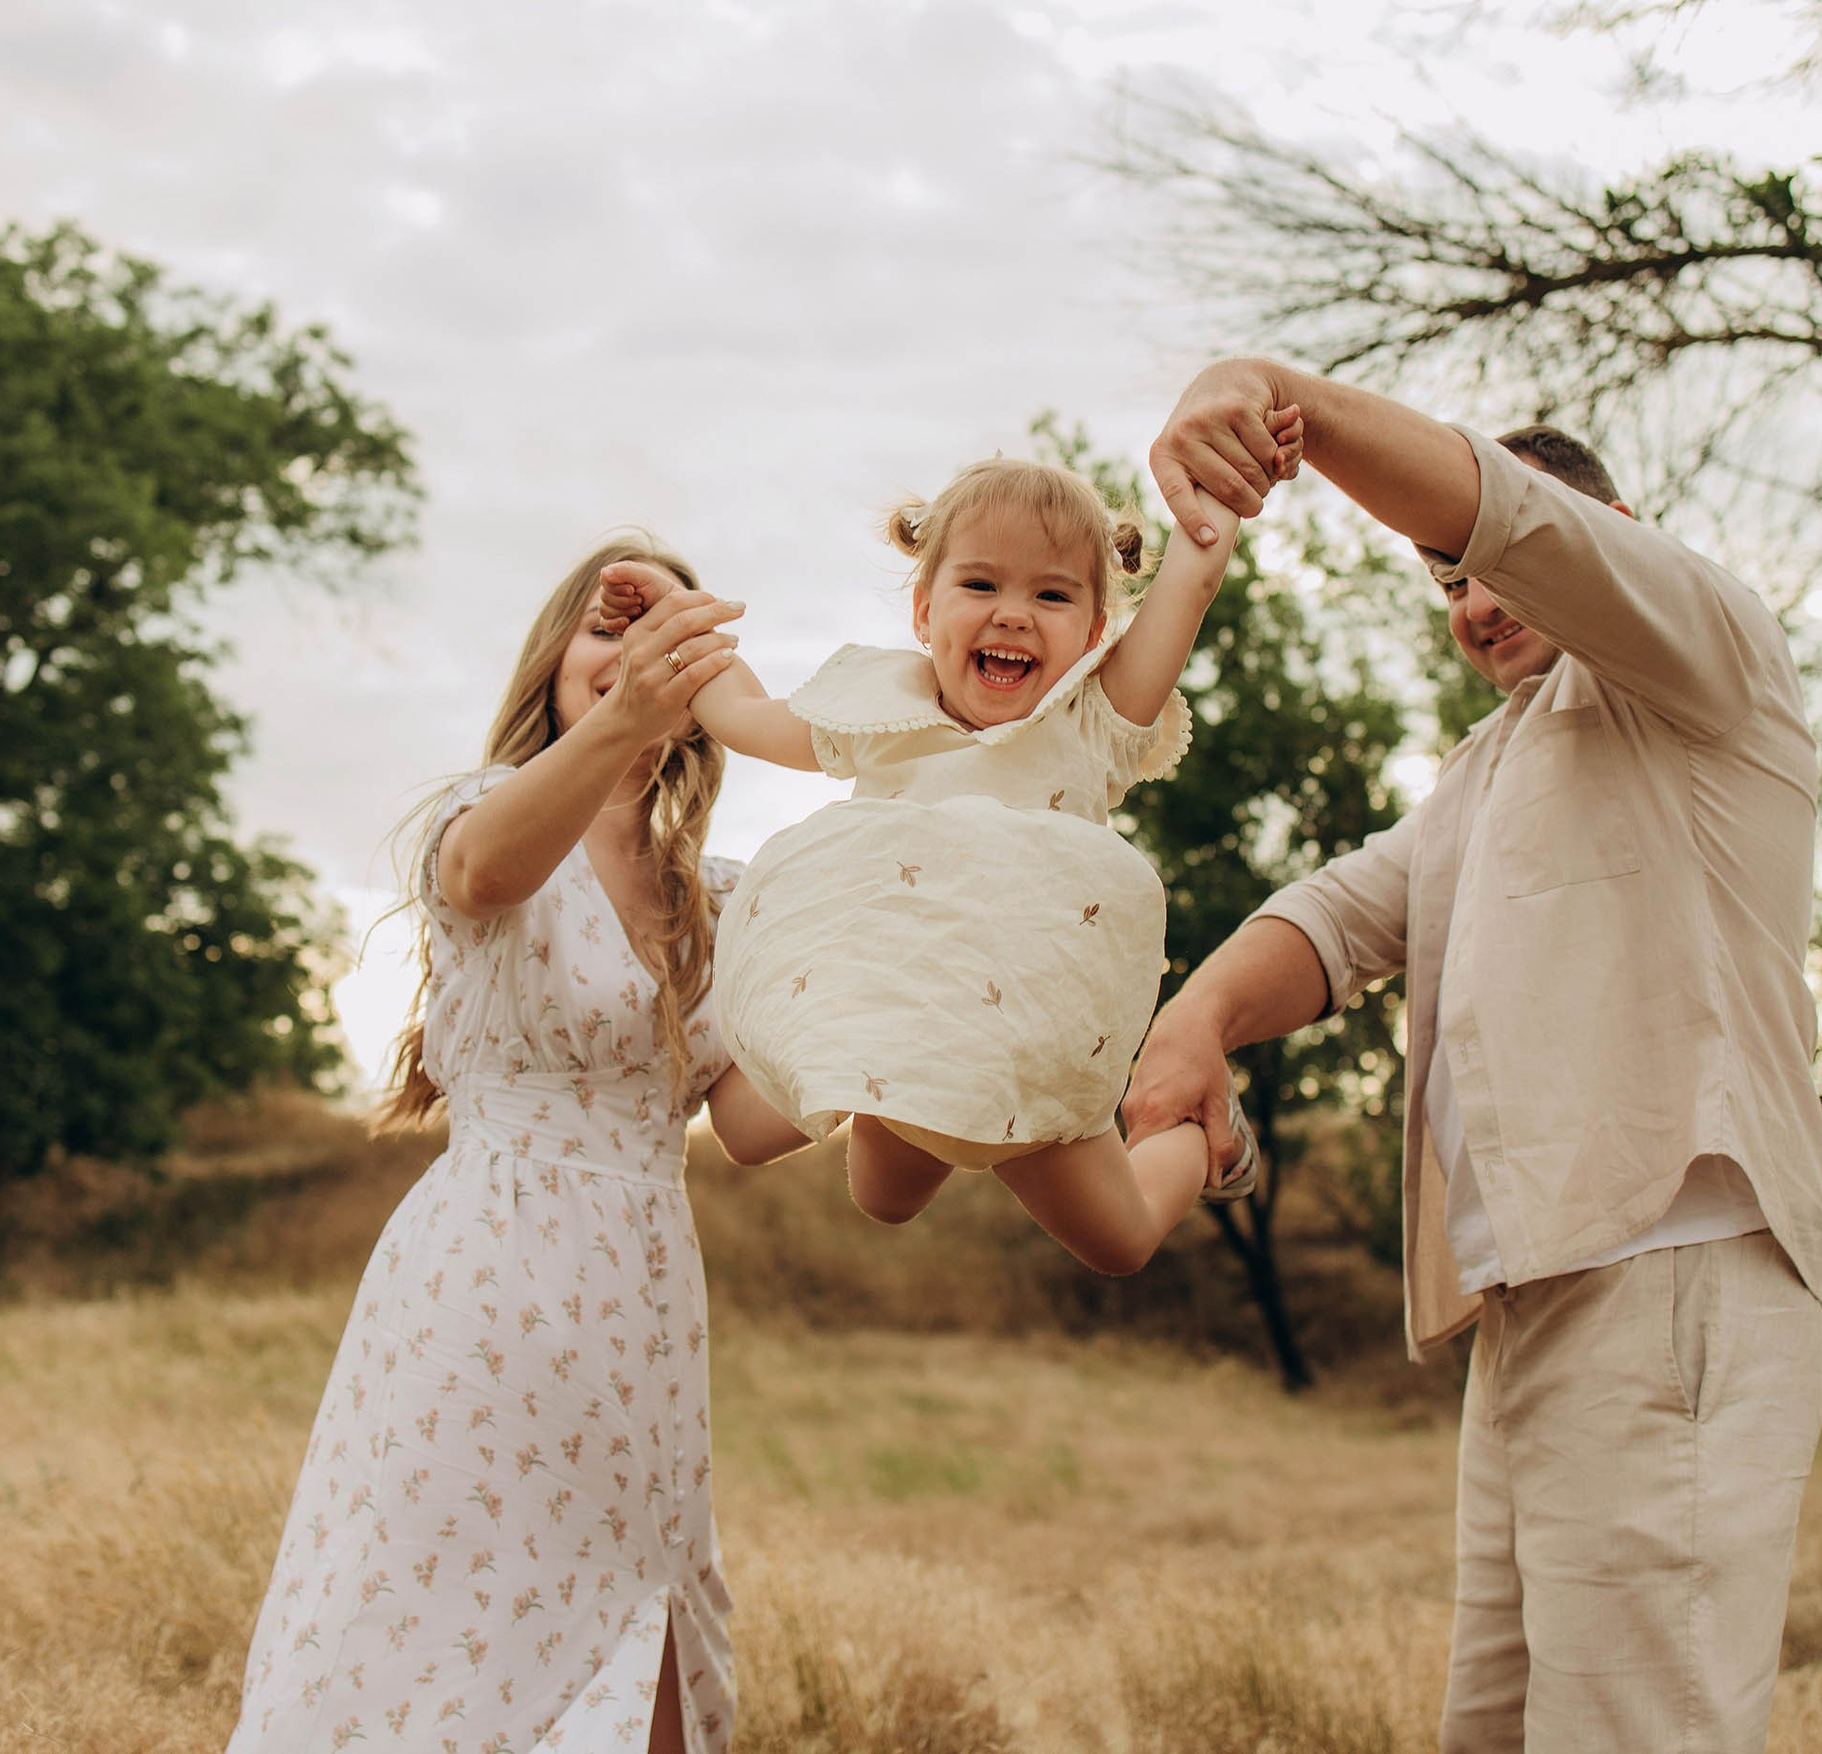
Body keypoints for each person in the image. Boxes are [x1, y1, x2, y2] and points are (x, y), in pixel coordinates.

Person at [1125, 359, 1822, 1753]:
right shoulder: (1489, 768)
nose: (1476, 602)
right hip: (1534, 1301)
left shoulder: (1702, 659)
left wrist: (1281, 400)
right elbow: (1342, 911)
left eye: (1480, 566)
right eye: (1445, 588)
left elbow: (1516, 521)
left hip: (1668, 1268)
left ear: (1618, 534)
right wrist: (1194, 1020)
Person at [227, 540, 810, 1754]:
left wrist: (893, 982)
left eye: (665, 639)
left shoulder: (727, 900)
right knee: (428, 1626)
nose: (633, 657)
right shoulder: (478, 816)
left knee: (641, 1624)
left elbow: (756, 1124)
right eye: (608, 628)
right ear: (552, 662)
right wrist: (630, 709)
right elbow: (487, 870)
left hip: (645, 1305)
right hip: (483, 1283)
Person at [597, 447, 1293, 1275]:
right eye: (981, 585)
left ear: (1096, 630)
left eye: (1053, 594)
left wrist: (1220, 499)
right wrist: (674, 612)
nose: (1013, 614)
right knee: (882, 1198)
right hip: (912, 1032)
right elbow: (741, 711)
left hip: (1035, 1038)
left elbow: (1190, 588)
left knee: (1124, 1241)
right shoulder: (881, 714)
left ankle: (1197, 1138)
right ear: (925, 611)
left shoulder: (1092, 718)